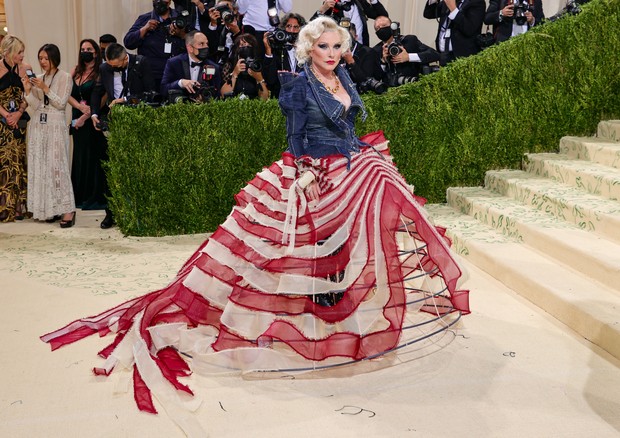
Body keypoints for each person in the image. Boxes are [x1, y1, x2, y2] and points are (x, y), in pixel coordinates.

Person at [41, 17, 469, 434]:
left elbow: (351, 124)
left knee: (360, 218)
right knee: (291, 250)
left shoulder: (344, 78)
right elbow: (296, 136)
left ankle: (339, 304)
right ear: (308, 49)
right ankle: (303, 315)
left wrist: (361, 156)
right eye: (324, 47)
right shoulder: (299, 84)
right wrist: (306, 170)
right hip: (313, 168)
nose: (332, 54)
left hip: (350, 163)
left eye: (338, 47)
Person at [90, 43, 155, 229]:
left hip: (138, 123)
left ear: (125, 57)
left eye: (116, 65)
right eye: (110, 65)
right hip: (114, 123)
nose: (113, 68)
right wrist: (94, 114)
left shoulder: (141, 63)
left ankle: (139, 213)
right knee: (111, 168)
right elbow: (97, 91)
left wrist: (125, 100)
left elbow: (151, 93)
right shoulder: (104, 68)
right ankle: (110, 213)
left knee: (137, 168)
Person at [24, 44, 76, 227]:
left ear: (54, 58)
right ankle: (50, 208)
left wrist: (45, 88)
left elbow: (61, 103)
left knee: (57, 165)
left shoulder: (65, 77)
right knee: (42, 165)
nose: (43, 62)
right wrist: (29, 91)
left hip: (56, 125)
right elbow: (36, 106)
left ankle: (68, 209)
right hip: (39, 125)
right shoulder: (38, 78)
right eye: (40, 58)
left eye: (46, 58)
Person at [68, 39, 108, 211]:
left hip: (93, 119)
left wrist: (87, 115)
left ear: (96, 52)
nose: (85, 51)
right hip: (77, 119)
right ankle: (80, 197)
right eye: (83, 48)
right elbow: (66, 93)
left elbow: (103, 97)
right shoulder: (76, 71)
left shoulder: (101, 71)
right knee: (80, 156)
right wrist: (78, 108)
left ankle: (94, 197)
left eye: (89, 48)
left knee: (94, 157)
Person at [124, 0, 188, 90]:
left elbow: (194, 40)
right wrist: (144, 29)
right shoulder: (144, 19)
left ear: (169, 1)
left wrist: (181, 34)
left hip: (176, 74)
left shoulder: (181, 17)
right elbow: (128, 42)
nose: (159, 1)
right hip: (151, 74)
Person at [0, 35, 30, 222]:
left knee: (19, 160)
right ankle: (4, 206)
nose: (22, 55)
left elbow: (29, 95)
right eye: (19, 52)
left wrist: (18, 113)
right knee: (5, 162)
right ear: (9, 52)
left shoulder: (26, 69)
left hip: (19, 121)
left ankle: (19, 206)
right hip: (2, 122)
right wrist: (6, 115)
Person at [373, 16, 439, 87]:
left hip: (413, 86)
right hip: (389, 91)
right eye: (377, 28)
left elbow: (435, 54)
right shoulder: (376, 50)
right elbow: (375, 78)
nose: (381, 29)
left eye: (384, 26)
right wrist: (383, 62)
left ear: (392, 26)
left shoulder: (409, 41)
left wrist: (409, 57)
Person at [160, 30, 222, 101]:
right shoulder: (174, 63)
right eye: (201, 44)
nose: (206, 47)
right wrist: (181, 83)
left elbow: (217, 95)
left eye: (206, 44)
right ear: (190, 48)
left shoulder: (213, 67)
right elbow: (163, 89)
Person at [423, 0, 485, 65]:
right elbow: (428, 13)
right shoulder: (449, 1)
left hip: (463, 57)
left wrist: (453, 9)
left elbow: (469, 29)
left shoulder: (477, 2)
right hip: (443, 56)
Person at [263, 12, 305, 98]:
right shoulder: (277, 50)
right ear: (283, 29)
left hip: (302, 97)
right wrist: (268, 50)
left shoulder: (306, 51)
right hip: (280, 97)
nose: (292, 30)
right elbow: (270, 80)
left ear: (301, 29)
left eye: (295, 27)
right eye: (289, 26)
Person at [313, 0, 389, 46]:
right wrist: (323, 9)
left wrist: (373, 0)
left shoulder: (360, 2)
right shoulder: (331, 3)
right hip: (339, 48)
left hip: (361, 48)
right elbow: (312, 26)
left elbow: (382, 16)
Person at [220, 33, 270, 100]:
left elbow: (264, 98)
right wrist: (234, 74)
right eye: (242, 45)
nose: (246, 48)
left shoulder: (258, 66)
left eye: (249, 45)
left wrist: (259, 79)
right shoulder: (229, 65)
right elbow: (224, 95)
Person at [204, 0, 243, 65]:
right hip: (218, 64)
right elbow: (211, 48)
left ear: (235, 10)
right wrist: (213, 23)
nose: (224, 13)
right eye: (221, 10)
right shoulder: (218, 28)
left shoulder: (244, 26)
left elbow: (244, 50)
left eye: (226, 9)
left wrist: (237, 33)